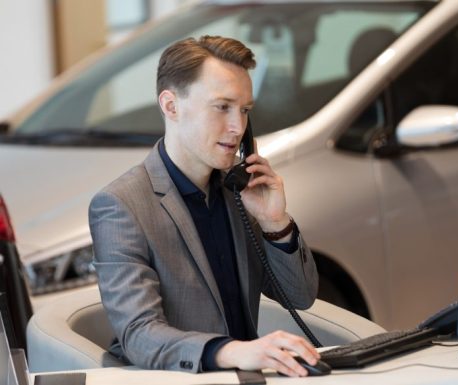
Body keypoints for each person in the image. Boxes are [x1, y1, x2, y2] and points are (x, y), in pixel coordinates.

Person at [88, 35, 320, 377]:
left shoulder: (238, 193)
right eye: (222, 107)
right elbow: (139, 335)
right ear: (171, 106)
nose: (238, 127)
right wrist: (233, 352)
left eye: (244, 111)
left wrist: (275, 222)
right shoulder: (121, 205)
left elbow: (300, 297)